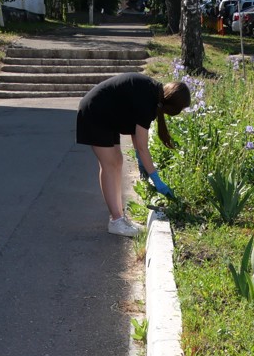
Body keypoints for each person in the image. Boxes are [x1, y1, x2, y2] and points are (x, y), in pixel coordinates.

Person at [76, 72, 191, 237]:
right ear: (171, 107)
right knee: (109, 165)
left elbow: (137, 137)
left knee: (117, 161)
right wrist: (156, 180)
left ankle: (119, 217)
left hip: (105, 115)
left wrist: (142, 162)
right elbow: (143, 147)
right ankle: (116, 221)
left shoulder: (152, 93)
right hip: (95, 113)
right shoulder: (148, 100)